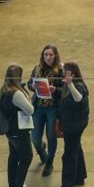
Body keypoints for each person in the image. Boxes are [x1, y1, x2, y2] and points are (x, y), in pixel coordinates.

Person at [0, 63, 36, 187]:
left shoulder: (4, 90)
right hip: (19, 131)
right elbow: (30, 110)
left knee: (14, 156)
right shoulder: (17, 93)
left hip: (10, 131)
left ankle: (13, 184)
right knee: (26, 156)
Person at [56, 60, 90, 187]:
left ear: (73, 74)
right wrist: (56, 90)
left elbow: (78, 98)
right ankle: (80, 176)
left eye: (66, 72)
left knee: (69, 155)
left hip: (74, 126)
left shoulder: (79, 86)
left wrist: (69, 84)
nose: (63, 74)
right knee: (76, 148)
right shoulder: (68, 85)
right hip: (71, 123)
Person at [30, 43, 64, 176]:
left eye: (51, 55)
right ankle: (42, 151)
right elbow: (30, 83)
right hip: (39, 107)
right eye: (46, 55)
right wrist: (33, 86)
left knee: (51, 136)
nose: (48, 57)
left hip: (53, 108)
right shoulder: (37, 68)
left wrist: (56, 90)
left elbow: (65, 89)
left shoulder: (60, 71)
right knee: (35, 137)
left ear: (55, 56)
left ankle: (50, 162)